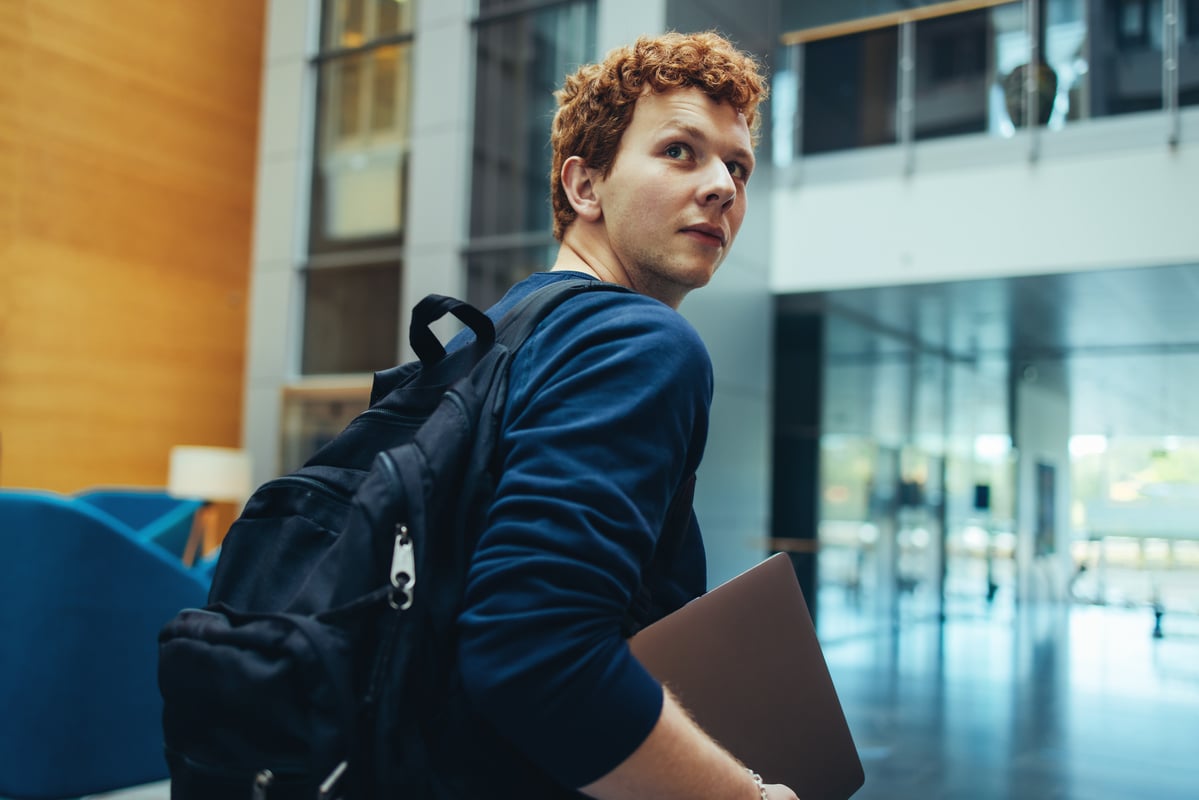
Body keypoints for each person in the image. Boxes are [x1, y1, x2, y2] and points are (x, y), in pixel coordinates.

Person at [449, 31, 799, 800]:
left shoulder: (493, 336)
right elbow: (534, 653)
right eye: (680, 150)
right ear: (584, 187)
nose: (722, 187)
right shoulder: (640, 342)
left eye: (736, 166)